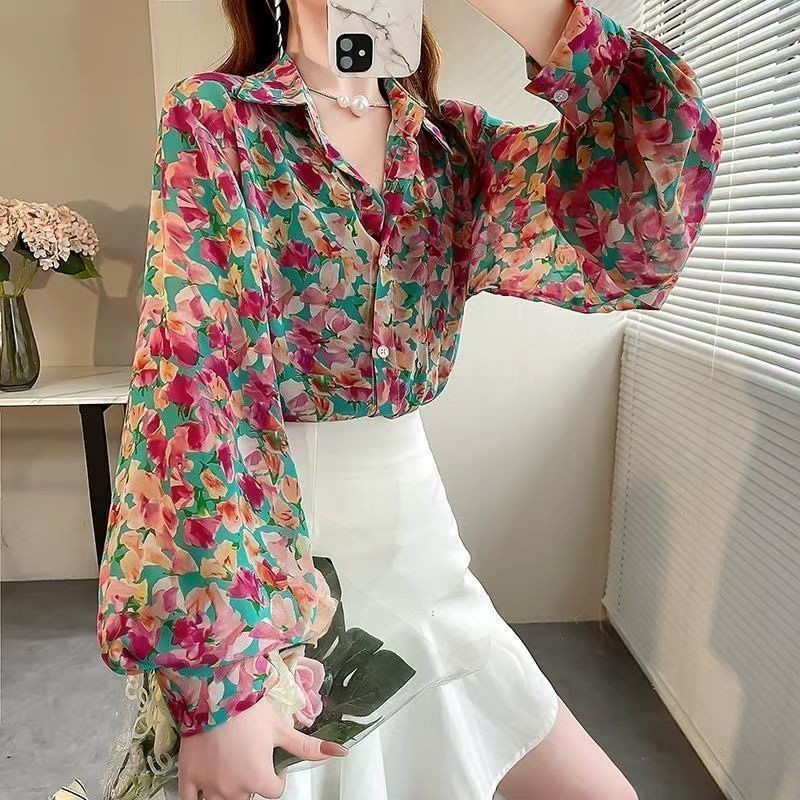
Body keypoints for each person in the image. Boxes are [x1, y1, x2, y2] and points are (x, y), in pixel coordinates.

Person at [96, 0, 723, 798]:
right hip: (274, 569)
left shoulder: (452, 150)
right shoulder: (220, 120)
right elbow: (190, 384)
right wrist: (215, 682)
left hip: (423, 550)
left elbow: (646, 224)